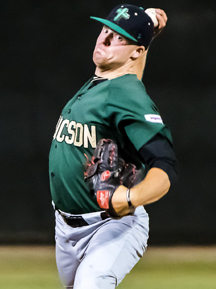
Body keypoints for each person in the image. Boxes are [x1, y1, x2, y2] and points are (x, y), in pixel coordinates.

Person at [49, 4, 178, 289]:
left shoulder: (127, 94)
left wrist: (131, 197)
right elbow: (131, 70)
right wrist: (146, 26)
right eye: (106, 30)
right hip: (66, 227)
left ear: (136, 51)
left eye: (119, 36)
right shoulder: (108, 81)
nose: (105, 39)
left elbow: (164, 167)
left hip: (111, 224)